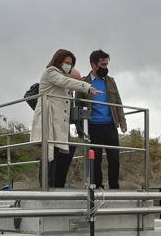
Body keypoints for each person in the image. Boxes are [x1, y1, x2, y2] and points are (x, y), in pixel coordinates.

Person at [30, 49, 99, 188]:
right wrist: (87, 86)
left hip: (57, 121)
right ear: (58, 60)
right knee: (49, 154)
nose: (68, 65)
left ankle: (51, 186)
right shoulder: (51, 73)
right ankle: (45, 187)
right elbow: (65, 82)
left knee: (54, 154)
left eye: (71, 64)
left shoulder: (61, 76)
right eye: (67, 62)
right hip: (49, 119)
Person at [77, 49, 127, 189]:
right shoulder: (83, 83)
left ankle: (114, 187)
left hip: (110, 125)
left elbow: (118, 102)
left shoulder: (111, 81)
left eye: (107, 64)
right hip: (93, 126)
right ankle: (97, 187)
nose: (106, 67)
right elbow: (78, 104)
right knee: (95, 159)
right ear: (94, 65)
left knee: (114, 158)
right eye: (103, 65)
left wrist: (122, 122)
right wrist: (80, 129)